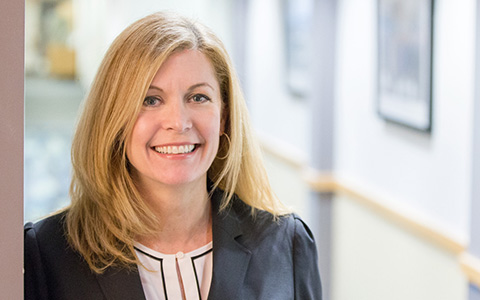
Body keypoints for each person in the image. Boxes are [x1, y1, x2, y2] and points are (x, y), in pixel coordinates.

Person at [24, 11, 322, 300]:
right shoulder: (47, 254)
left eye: (198, 97)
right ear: (114, 119)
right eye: (150, 100)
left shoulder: (286, 244)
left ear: (224, 118)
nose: (178, 122)